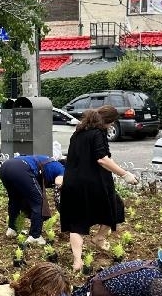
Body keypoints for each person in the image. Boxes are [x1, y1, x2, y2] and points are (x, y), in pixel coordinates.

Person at [58, 106, 138, 271]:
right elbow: (102, 159)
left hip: (72, 183)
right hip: (94, 183)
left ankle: (77, 261)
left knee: (77, 223)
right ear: (108, 121)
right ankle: (100, 238)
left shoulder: (77, 134)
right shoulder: (98, 134)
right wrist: (124, 174)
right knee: (115, 206)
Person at [0, 154, 65, 245]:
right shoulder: (63, 169)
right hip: (21, 169)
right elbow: (58, 182)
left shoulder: (51, 163)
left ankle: (12, 229)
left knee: (15, 200)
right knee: (39, 202)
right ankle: (35, 236)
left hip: (6, 167)